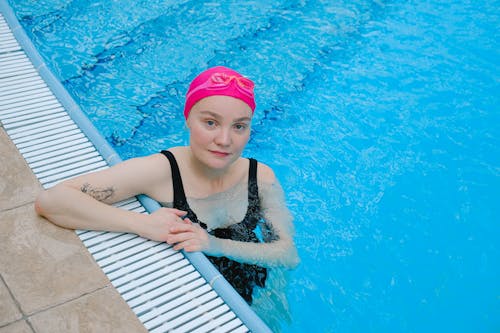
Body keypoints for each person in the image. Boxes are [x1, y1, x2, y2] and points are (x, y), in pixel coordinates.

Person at [35, 66, 299, 304]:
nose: (224, 139)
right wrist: (143, 224)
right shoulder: (161, 171)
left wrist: (214, 245)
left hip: (259, 289)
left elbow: (287, 254)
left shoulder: (260, 177)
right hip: (194, 297)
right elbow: (53, 201)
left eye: (239, 126)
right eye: (210, 122)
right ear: (188, 119)